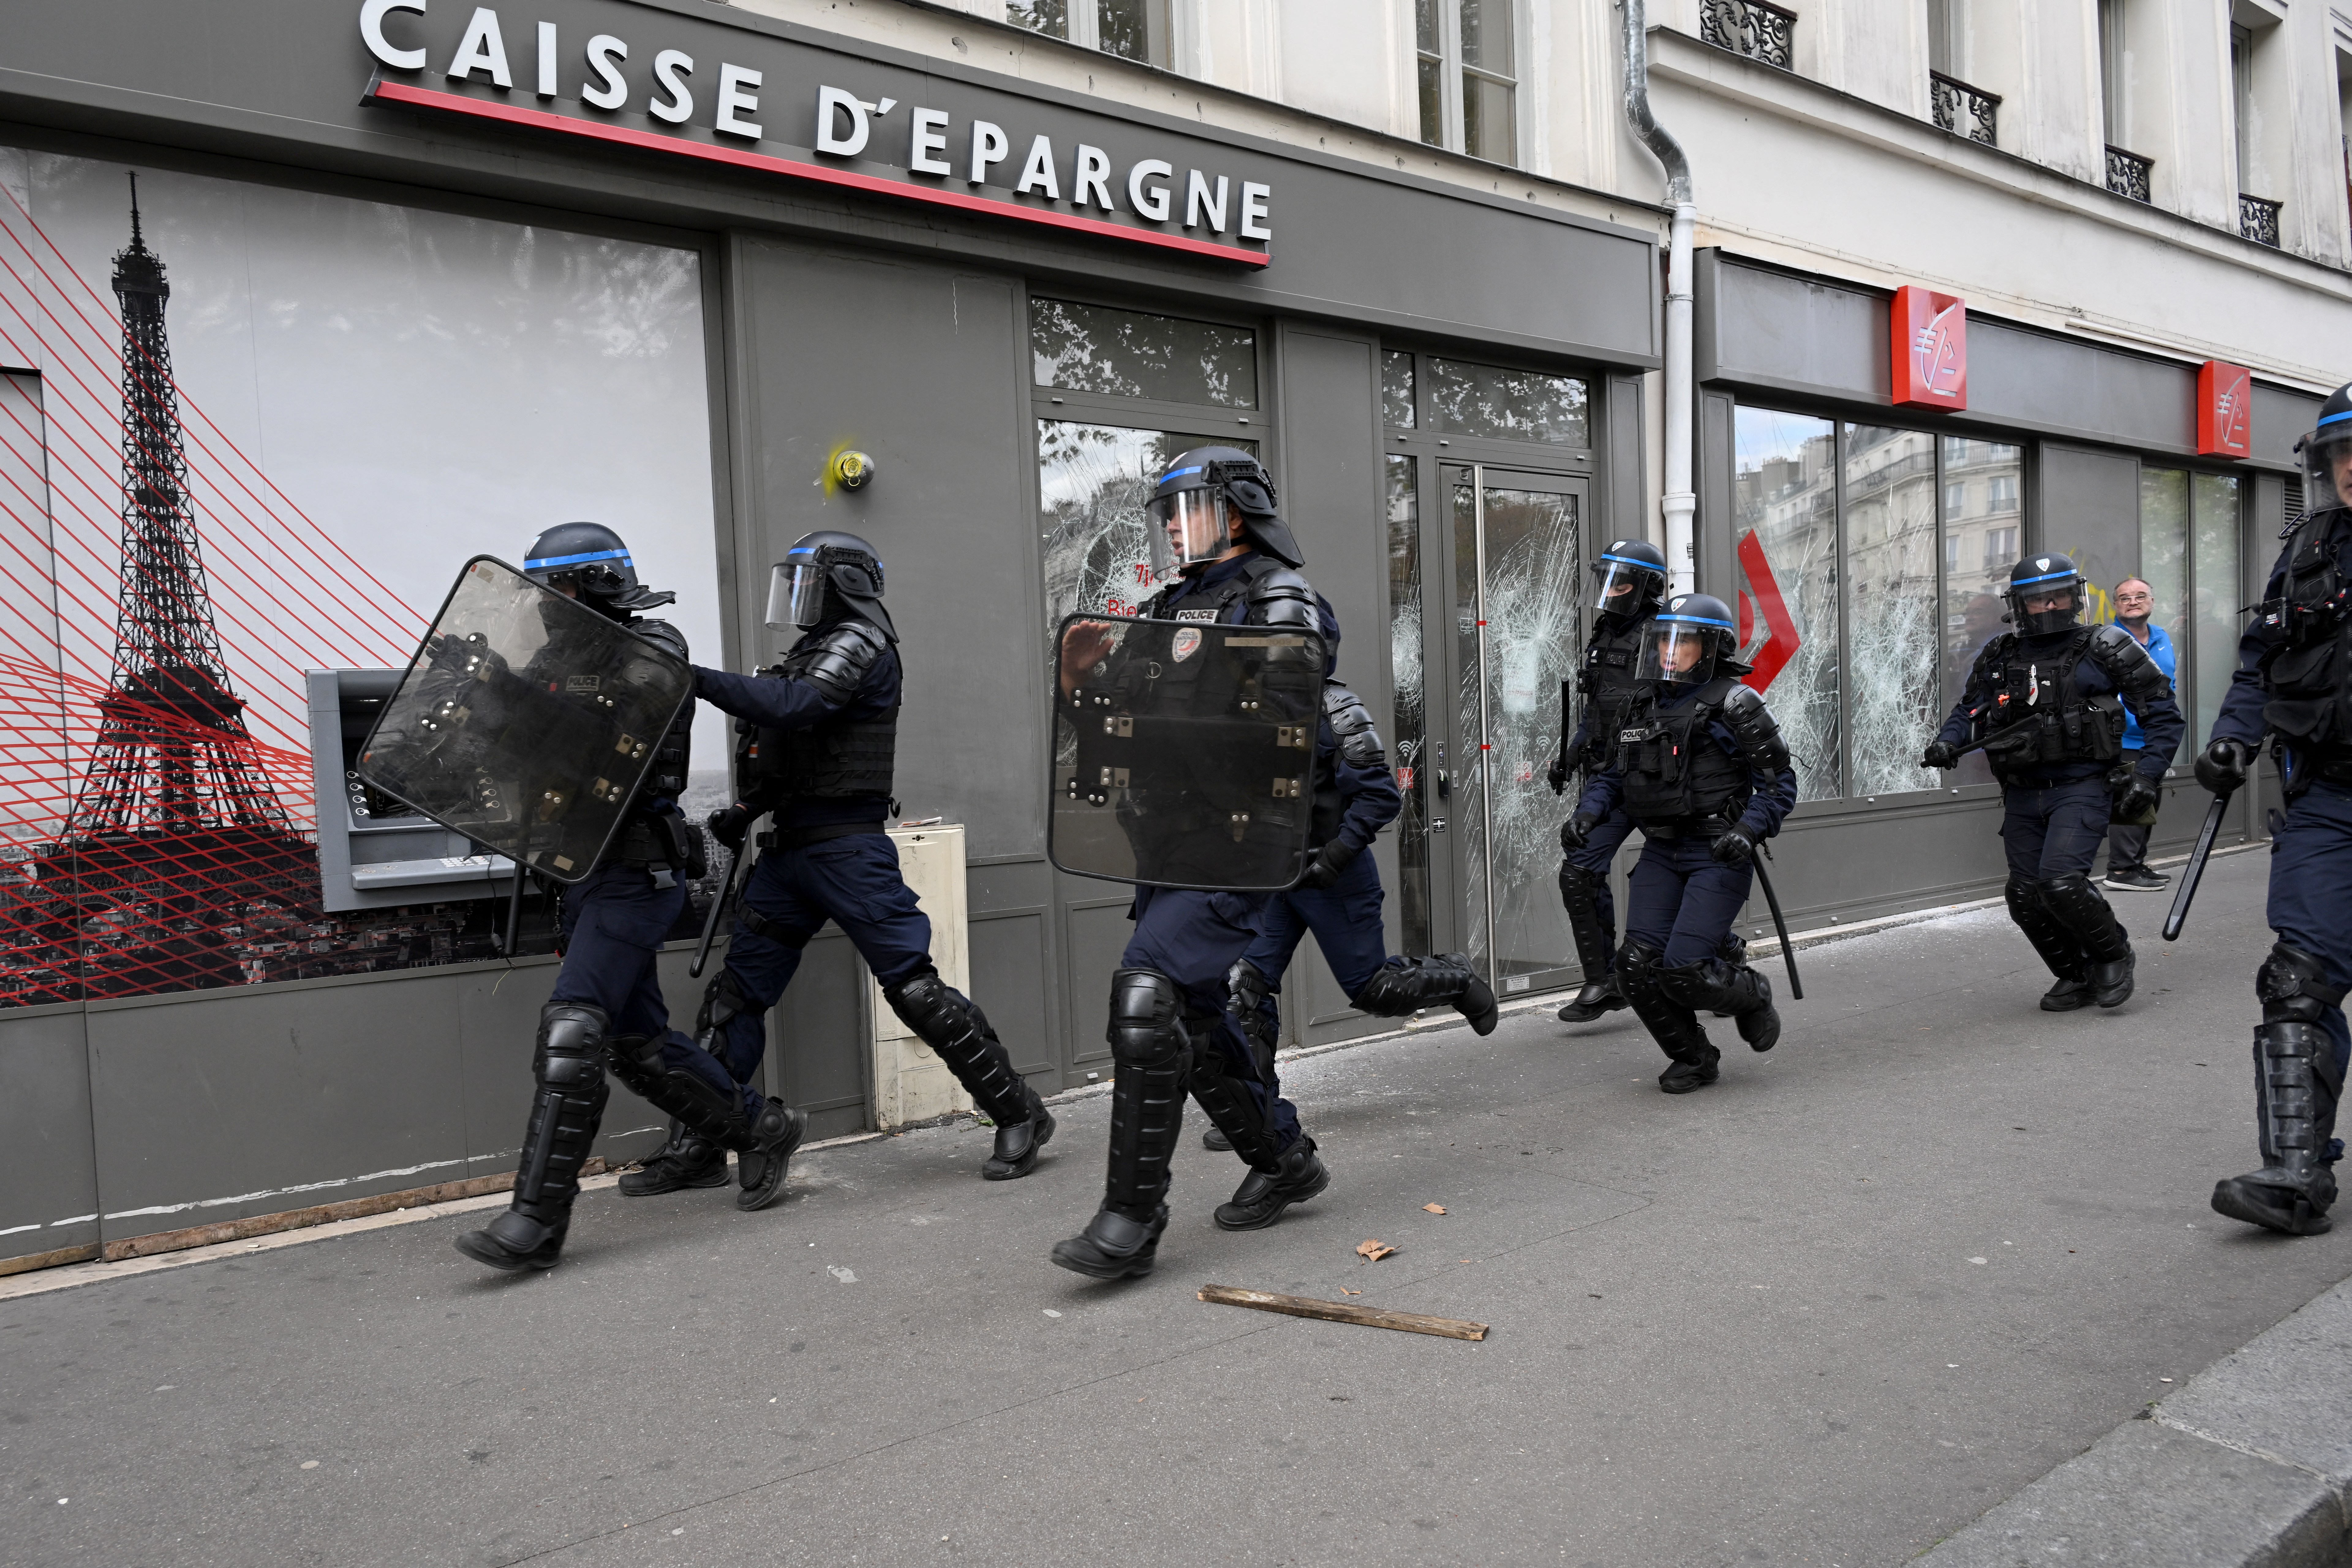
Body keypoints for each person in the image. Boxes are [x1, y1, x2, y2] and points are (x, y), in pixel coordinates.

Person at [639, 530, 1053, 1204]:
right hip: (791, 853)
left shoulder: (861, 643)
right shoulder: (813, 651)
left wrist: (694, 680)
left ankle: (1019, 1112)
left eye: (810, 583)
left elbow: (798, 707)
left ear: (844, 585)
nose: (798, 598)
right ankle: (703, 1142)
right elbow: (796, 754)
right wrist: (745, 811)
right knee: (735, 998)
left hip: (848, 852)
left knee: (914, 991)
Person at [454, 523, 801, 1273]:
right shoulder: (553, 658)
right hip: (581, 874)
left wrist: (509, 690)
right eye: (547, 592)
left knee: (573, 1031)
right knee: (637, 1043)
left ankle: (536, 1221)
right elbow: (526, 747)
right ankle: (761, 1128)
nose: (552, 606)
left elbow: (602, 731)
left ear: (597, 584)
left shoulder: (657, 648)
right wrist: (482, 688)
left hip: (634, 875)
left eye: (565, 590)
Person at [1050, 447, 1342, 1278]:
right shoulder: (1172, 604)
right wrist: (1085, 684)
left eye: (1191, 509)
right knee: (1199, 1019)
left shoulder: (1280, 600)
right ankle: (1285, 1158)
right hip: (1169, 844)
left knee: (1145, 997)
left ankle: (1130, 1221)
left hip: (1239, 843)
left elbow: (1287, 741)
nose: (1176, 527)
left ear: (1239, 511)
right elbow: (1118, 722)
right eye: (1168, 513)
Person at [1213, 665, 1498, 1157]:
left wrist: (1338, 854)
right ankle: (1256, 1114)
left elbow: (1381, 796)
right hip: (1273, 875)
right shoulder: (1243, 703)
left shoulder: (1335, 708)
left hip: (1334, 877)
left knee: (1375, 990)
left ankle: (1456, 977)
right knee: (1245, 990)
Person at [2200, 382, 2352, 1237]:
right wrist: (2234, 738)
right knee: (2296, 979)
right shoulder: (2308, 550)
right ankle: (2297, 1177)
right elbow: (2262, 660)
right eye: (2344, 455)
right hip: (2330, 796)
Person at [1922, 553, 2183, 1012]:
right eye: (2037, 599)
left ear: (2073, 596)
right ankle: (2074, 974)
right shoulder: (2001, 652)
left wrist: (2147, 774)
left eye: (2058, 596)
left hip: (2083, 784)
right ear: (2019, 604)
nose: (2049, 606)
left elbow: (2163, 714)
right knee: (2024, 896)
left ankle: (2113, 955)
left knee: (2062, 882)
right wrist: (1948, 742)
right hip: (2023, 789)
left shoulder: (2107, 643)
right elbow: (1970, 708)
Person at [1568, 594, 1796, 1093]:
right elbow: (1613, 776)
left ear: (1711, 649)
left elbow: (1780, 784)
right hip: (1662, 851)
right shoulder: (1640, 702)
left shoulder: (1736, 703)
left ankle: (1753, 995)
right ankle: (1694, 1057)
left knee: (1686, 969)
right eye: (1663, 643)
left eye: (1683, 645)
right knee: (1634, 968)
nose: (1669, 654)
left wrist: (1748, 830)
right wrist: (1586, 813)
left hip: (1716, 852)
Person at [1547, 540, 1669, 1024]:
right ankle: (1604, 981)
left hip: (1659, 779)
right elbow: (1595, 711)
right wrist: (1572, 753)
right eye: (1608, 581)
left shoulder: (1666, 637)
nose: (1611, 591)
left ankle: (1716, 958)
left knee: (1678, 871)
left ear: (1646, 588)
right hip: (1610, 782)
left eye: (1622, 582)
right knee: (1578, 872)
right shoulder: (1603, 635)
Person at [2101, 577, 2178, 892]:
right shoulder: (2106, 640)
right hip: (2123, 738)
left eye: (2140, 596)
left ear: (2152, 600)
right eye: (2125, 598)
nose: (2133, 601)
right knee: (2131, 798)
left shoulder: (2162, 637)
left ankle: (2136, 863)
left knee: (2151, 796)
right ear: (2116, 605)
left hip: (2155, 736)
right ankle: (2120, 869)